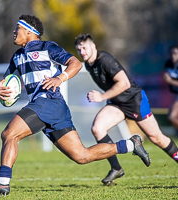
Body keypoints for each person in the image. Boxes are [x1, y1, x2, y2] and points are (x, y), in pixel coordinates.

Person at [0, 15, 150, 196]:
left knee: (9, 134)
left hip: (48, 102)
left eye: (17, 28)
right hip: (51, 108)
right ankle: (131, 144)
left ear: (29, 31)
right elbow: (4, 82)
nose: (13, 32)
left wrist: (60, 78)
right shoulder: (17, 57)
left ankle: (3, 182)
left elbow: (74, 63)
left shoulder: (46, 47)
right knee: (82, 156)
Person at [74, 33, 178, 186]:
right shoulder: (89, 64)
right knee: (98, 128)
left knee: (157, 138)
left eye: (84, 48)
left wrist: (102, 97)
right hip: (117, 103)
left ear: (93, 46)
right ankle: (116, 168)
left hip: (134, 100)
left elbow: (124, 84)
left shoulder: (105, 60)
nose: (82, 52)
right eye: (79, 49)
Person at [163, 44, 178, 135]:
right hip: (176, 94)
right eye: (171, 53)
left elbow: (170, 80)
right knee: (171, 117)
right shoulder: (169, 64)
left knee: (172, 117)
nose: (173, 55)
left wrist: (170, 81)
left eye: (175, 53)